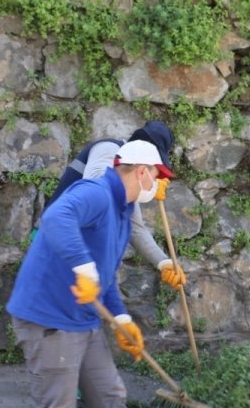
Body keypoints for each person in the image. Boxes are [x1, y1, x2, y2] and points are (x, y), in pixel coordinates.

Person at [7, 140, 169, 408]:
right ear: (142, 172)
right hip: (50, 319)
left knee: (109, 398)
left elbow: (105, 276)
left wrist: (121, 319)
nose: (158, 184)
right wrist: (84, 268)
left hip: (83, 320)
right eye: (157, 175)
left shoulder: (122, 211)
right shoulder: (97, 193)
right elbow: (57, 216)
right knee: (57, 407)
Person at [44, 122, 187, 292]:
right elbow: (97, 181)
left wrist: (164, 262)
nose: (155, 176)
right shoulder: (109, 149)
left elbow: (135, 227)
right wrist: (148, 187)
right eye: (155, 170)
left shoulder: (128, 182)